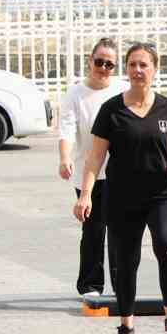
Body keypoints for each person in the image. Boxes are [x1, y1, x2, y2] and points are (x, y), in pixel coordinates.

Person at [75, 42, 167, 334]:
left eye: (144, 65)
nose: (138, 70)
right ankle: (126, 326)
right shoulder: (111, 110)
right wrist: (85, 195)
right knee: (126, 260)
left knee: (166, 244)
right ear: (126, 69)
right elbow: (95, 158)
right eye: (132, 65)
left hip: (165, 192)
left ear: (155, 69)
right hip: (123, 196)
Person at [58, 37, 124, 301]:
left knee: (120, 231)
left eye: (110, 64)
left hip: (121, 172)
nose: (104, 68)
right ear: (90, 61)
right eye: (99, 62)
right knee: (94, 229)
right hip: (89, 174)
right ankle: (90, 285)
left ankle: (123, 284)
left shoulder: (122, 90)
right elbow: (67, 130)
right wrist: (65, 158)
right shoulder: (76, 94)